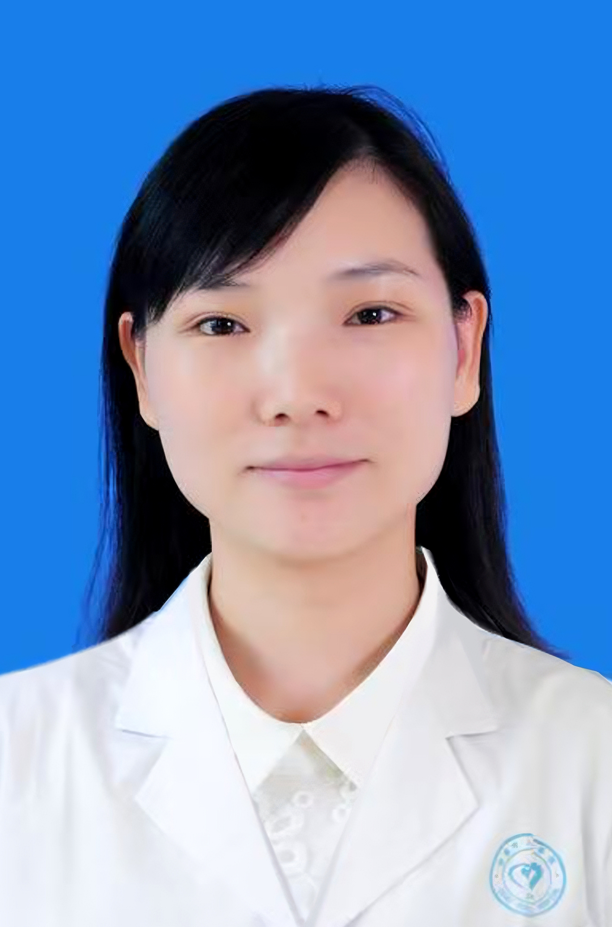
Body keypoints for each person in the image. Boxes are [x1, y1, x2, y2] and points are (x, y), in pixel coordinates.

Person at [0, 83, 610, 926]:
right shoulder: (17, 760)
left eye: (370, 313)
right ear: (141, 368)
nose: (296, 394)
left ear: (464, 349)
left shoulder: (593, 762)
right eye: (223, 324)